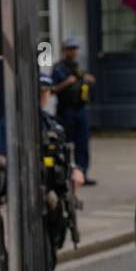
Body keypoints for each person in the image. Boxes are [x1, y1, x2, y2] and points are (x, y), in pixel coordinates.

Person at [37, 74, 84, 271]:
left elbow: (63, 159)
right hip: (36, 208)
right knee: (42, 267)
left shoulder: (51, 123)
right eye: (44, 91)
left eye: (47, 91)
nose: (46, 96)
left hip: (56, 206)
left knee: (49, 262)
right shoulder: (23, 124)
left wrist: (74, 171)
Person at [51, 37, 95, 185]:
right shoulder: (59, 68)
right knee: (65, 143)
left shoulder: (78, 68)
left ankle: (82, 174)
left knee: (82, 144)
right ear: (65, 51)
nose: (73, 51)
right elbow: (52, 90)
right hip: (66, 111)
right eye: (70, 49)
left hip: (81, 110)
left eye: (75, 48)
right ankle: (65, 174)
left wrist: (88, 79)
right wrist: (66, 83)